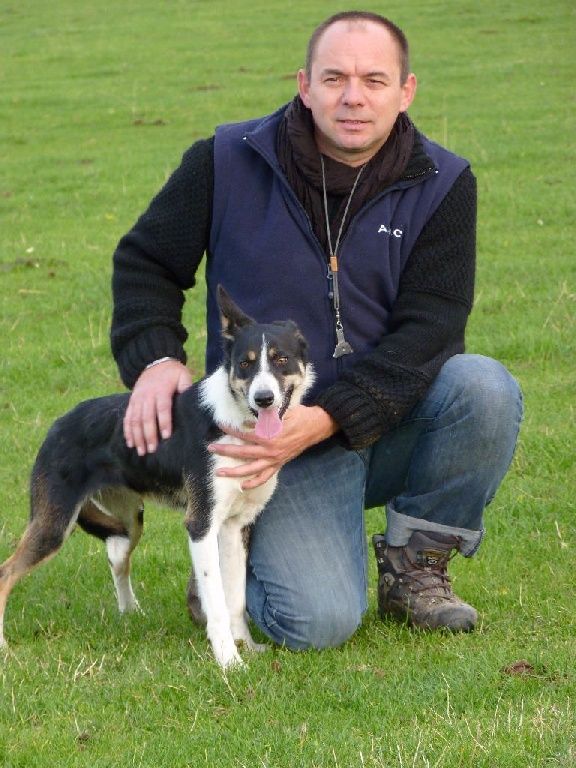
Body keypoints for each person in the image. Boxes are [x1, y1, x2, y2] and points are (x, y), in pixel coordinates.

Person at [111, 11, 523, 649]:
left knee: (484, 388)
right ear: (305, 85)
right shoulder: (225, 160)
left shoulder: (443, 184)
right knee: (318, 622)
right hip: (264, 436)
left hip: (376, 417)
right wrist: (156, 359)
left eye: (374, 80)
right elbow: (145, 263)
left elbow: (432, 330)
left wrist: (330, 416)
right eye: (335, 78)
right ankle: (223, 563)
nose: (353, 96)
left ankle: (414, 570)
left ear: (406, 91)